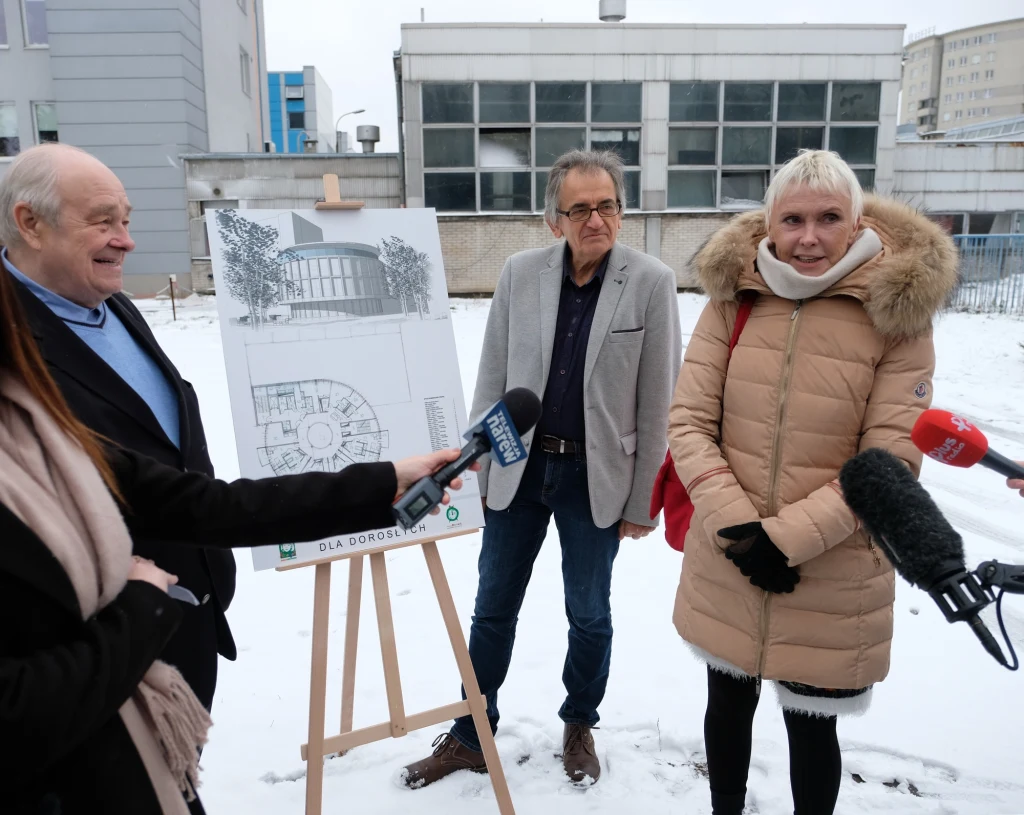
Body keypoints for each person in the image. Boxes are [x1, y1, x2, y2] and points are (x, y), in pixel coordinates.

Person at [0, 258, 476, 815]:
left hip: (125, 746)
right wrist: (139, 606)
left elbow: (208, 505)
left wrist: (383, 483)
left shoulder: (41, 429)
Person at [668, 150, 957, 815]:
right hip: (729, 552)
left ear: (857, 220)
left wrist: (787, 539)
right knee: (726, 704)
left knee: (811, 728)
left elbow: (888, 463)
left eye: (828, 218)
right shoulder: (733, 294)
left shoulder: (897, 316)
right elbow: (687, 421)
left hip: (832, 568)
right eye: (792, 218)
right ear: (769, 223)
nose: (808, 237)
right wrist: (740, 527)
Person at [402, 149, 681, 788]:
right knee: (492, 608)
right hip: (518, 472)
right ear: (553, 219)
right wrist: (476, 457)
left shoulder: (650, 282)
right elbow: (492, 377)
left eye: (606, 206)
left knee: (589, 613)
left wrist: (644, 501)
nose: (595, 220)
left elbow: (659, 401)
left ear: (621, 210)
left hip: (595, 478)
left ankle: (579, 721)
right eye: (579, 208)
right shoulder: (519, 274)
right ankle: (473, 731)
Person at [0, 143, 235, 715]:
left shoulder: (112, 304)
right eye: (103, 222)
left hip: (189, 606)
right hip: (92, 648)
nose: (125, 240)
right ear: (30, 223)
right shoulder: (12, 342)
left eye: (126, 221)